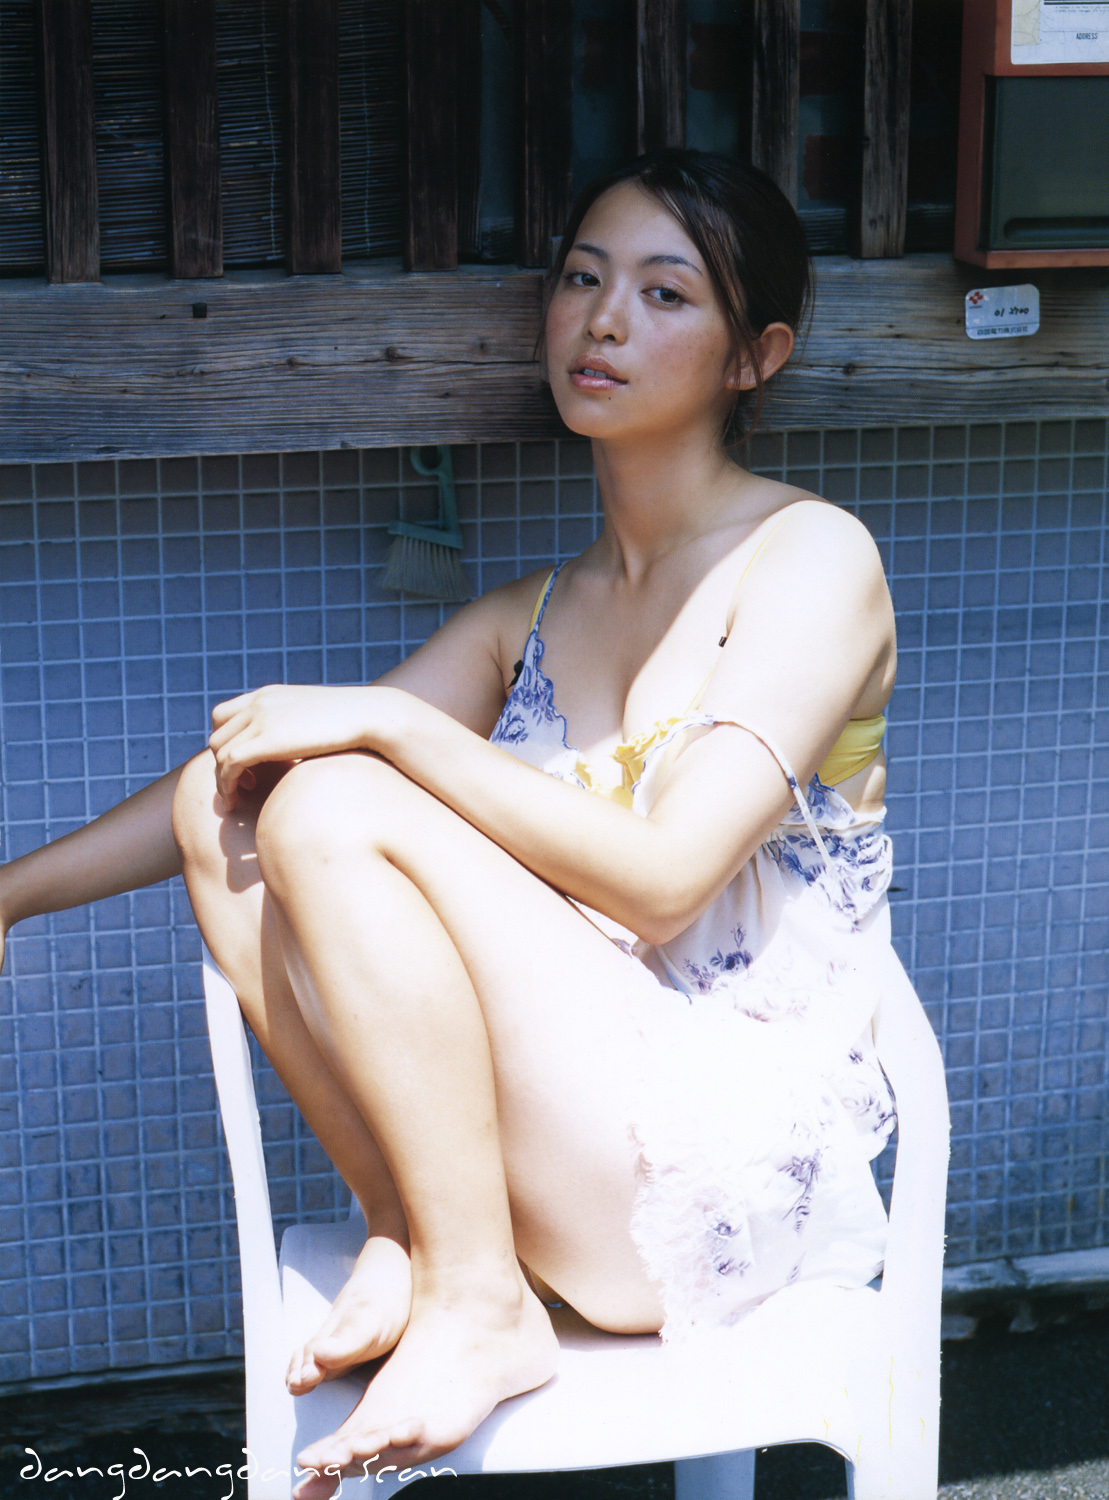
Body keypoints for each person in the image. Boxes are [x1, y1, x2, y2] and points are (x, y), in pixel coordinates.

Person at [0, 150, 901, 1500]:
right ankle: (411, 1231)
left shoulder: (813, 558)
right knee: (233, 796)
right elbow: (233, 785)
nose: (604, 321)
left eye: (665, 294)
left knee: (339, 786)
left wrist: (398, 729)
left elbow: (665, 883)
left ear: (753, 357)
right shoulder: (528, 615)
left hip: (727, 1178)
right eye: (582, 279)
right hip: (565, 1142)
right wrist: (14, 891)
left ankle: (477, 1295)